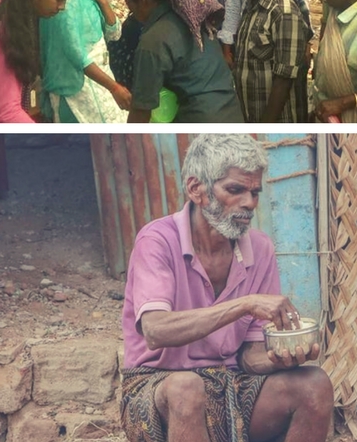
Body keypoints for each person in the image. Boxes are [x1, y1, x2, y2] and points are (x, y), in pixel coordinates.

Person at [121, 134, 333, 442]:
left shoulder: (260, 249)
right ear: (197, 189)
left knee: (314, 384)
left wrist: (281, 358)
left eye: (255, 192)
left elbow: (249, 356)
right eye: (235, 190)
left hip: (230, 386)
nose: (248, 203)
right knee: (186, 388)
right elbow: (155, 331)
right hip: (156, 387)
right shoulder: (157, 241)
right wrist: (243, 304)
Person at [123, 0, 244, 123]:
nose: (135, 17)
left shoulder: (153, 40)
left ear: (141, 0)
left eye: (132, 11)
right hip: (232, 114)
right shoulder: (199, 20)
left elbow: (141, 109)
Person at [40, 0, 129, 123]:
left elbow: (114, 34)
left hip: (99, 82)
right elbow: (75, 54)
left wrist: (104, 3)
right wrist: (114, 87)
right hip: (75, 89)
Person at [224, 0, 312, 123]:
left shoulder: (282, 10)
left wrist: (266, 126)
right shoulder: (250, 6)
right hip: (252, 115)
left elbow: (284, 78)